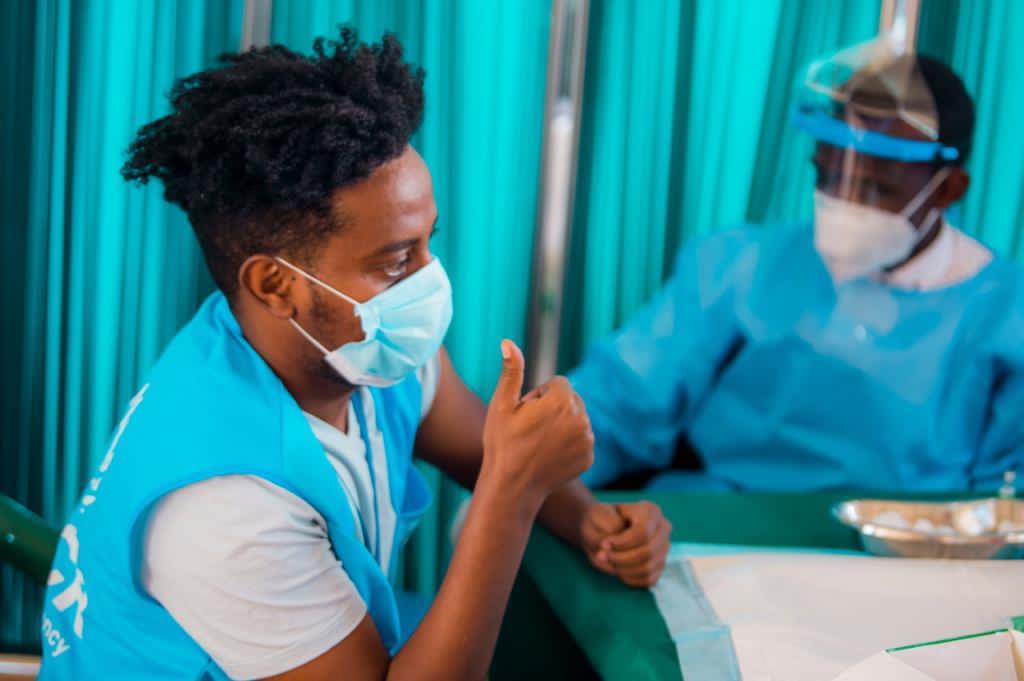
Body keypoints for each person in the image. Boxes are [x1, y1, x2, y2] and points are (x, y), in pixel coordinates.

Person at [39, 30, 670, 680]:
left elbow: (477, 444)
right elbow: (502, 475)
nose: (430, 281)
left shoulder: (370, 348)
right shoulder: (225, 508)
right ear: (275, 286)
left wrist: (591, 521)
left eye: (427, 243)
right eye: (397, 261)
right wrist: (515, 491)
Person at [571, 38, 1024, 494]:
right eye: (828, 178)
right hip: (723, 519)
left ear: (948, 189)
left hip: (909, 537)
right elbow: (616, 405)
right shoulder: (739, 267)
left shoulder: (1004, 315)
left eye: (874, 188)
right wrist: (543, 472)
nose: (842, 204)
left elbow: (1004, 502)